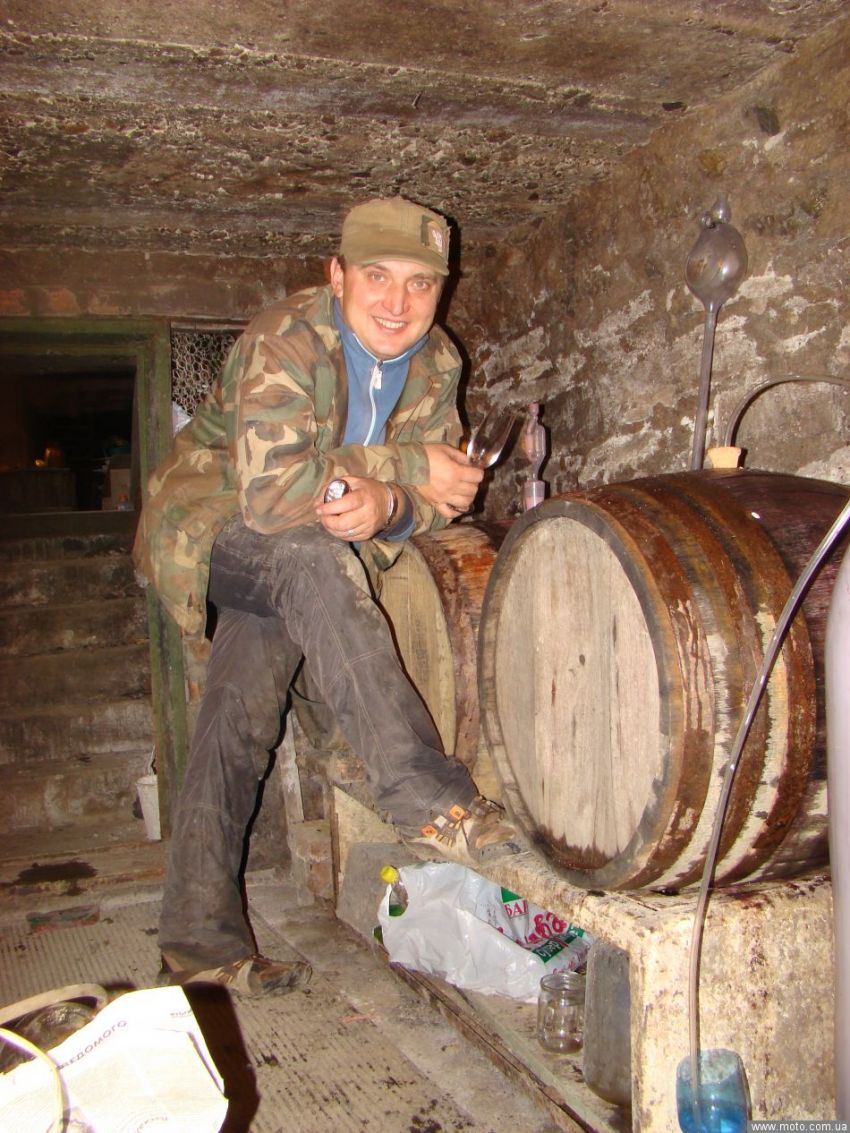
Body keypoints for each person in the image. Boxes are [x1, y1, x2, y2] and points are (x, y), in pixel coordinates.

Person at [133, 196, 519, 998]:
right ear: (337, 275)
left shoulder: (438, 362)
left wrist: (391, 502)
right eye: (377, 276)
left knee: (237, 722)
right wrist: (403, 467)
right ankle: (425, 794)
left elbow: (440, 501)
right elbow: (273, 499)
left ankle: (197, 943)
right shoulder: (286, 336)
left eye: (420, 284)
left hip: (303, 555)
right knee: (307, 553)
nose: (398, 303)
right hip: (214, 524)